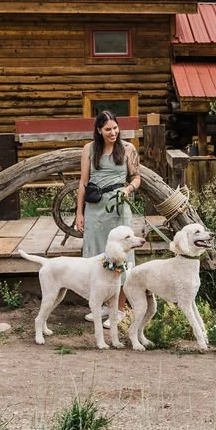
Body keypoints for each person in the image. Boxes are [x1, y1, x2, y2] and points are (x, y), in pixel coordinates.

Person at [76, 111, 142, 313]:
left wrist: (127, 189)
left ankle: (120, 309)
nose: (113, 132)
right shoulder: (89, 149)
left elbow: (137, 178)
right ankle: (105, 305)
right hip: (96, 207)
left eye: (115, 128)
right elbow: (83, 182)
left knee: (121, 255)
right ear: (99, 130)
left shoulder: (128, 149)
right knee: (97, 254)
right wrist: (80, 213)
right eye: (107, 129)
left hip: (119, 208)